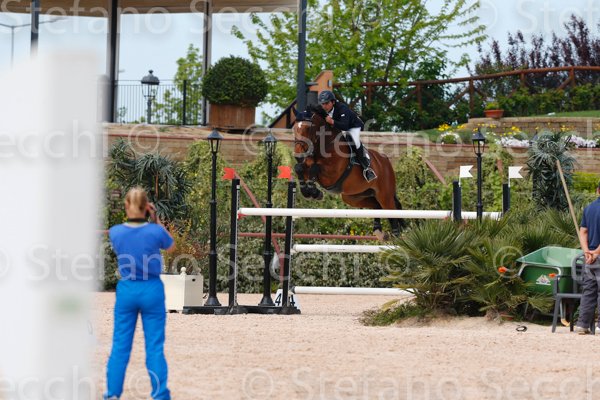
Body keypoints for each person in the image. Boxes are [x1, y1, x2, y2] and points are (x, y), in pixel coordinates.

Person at [104, 187, 175, 399]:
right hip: (151, 289)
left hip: (127, 289)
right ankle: (160, 394)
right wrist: (155, 219)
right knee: (154, 346)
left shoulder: (116, 232)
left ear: (126, 205)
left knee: (120, 345)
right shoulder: (155, 232)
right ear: (147, 207)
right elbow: (170, 246)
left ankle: (113, 394)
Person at [317, 90, 377, 182]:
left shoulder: (342, 108)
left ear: (333, 102)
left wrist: (332, 121)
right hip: (338, 127)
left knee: (353, 139)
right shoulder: (322, 110)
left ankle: (367, 168)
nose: (324, 106)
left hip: (353, 126)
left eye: (326, 103)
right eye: (322, 104)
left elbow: (345, 126)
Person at [575, 181, 600, 334]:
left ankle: (582, 325)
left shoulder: (589, 208)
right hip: (596, 255)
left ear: (597, 191)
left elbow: (583, 232)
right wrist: (596, 252)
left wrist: (587, 252)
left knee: (589, 291)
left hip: (590, 258)